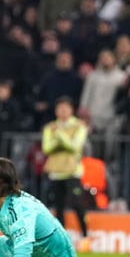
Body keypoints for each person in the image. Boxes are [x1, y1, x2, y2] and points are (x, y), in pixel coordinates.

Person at [42, 96, 89, 248]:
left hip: (73, 171)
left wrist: (60, 135)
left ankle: (85, 236)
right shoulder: (49, 127)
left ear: (71, 110)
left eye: (65, 108)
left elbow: (75, 146)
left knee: (77, 203)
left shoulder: (79, 126)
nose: (62, 111)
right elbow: (47, 148)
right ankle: (62, 241)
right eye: (60, 108)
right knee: (58, 206)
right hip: (55, 171)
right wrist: (64, 142)